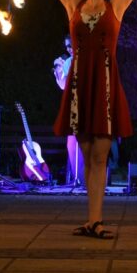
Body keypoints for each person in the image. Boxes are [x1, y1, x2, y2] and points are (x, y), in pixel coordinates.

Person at [21, 0, 137, 239]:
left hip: (103, 85)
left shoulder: (116, 6)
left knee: (100, 156)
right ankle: (91, 220)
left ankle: (97, 219)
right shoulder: (73, 4)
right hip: (79, 87)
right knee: (87, 153)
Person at [52, 35, 84, 186]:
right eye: (67, 46)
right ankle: (77, 178)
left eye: (71, 45)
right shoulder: (69, 61)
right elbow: (63, 85)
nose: (69, 49)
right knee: (72, 143)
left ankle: (84, 179)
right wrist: (58, 68)